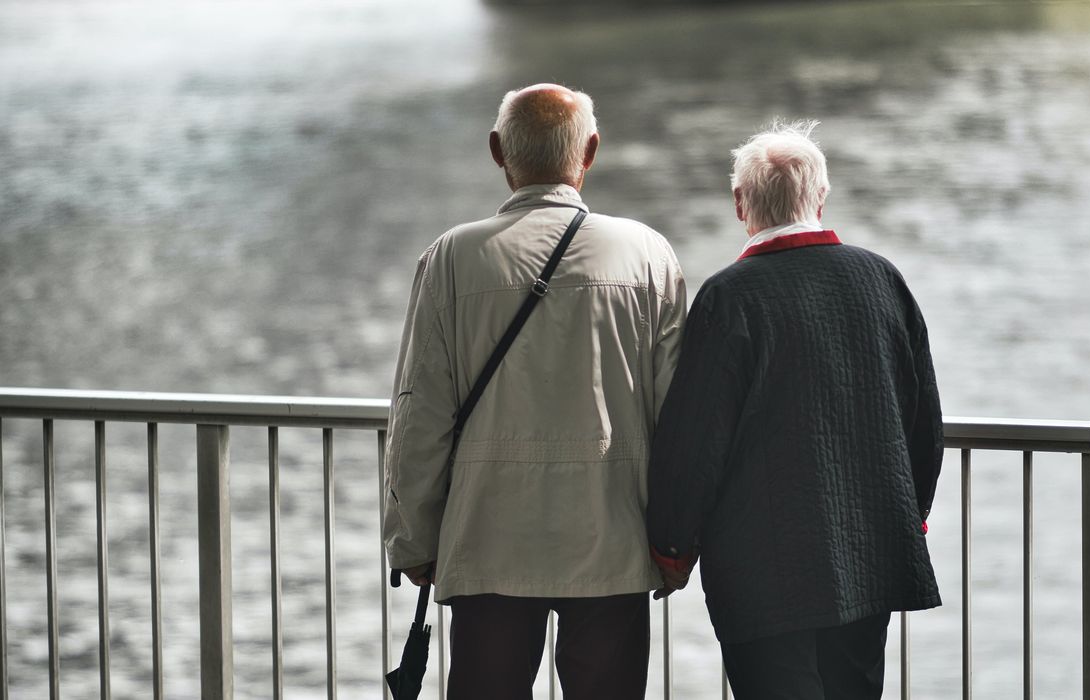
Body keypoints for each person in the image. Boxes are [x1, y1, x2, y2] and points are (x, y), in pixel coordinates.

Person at [382, 83, 686, 699]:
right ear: (591, 151)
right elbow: (676, 414)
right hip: (611, 543)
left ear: (498, 151)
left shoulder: (451, 258)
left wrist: (412, 537)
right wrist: (677, 542)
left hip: (489, 541)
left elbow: (421, 413)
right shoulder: (647, 254)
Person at [645, 121, 943, 700]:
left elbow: (696, 439)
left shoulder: (730, 297)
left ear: (740, 204)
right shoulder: (881, 279)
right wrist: (911, 514)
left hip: (762, 568)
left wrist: (672, 546)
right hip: (867, 553)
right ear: (822, 196)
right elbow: (922, 421)